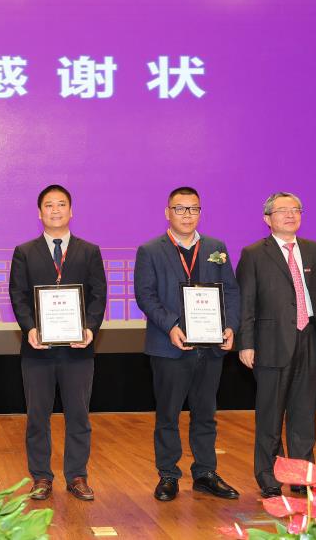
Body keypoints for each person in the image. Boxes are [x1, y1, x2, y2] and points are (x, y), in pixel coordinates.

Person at [134, 186, 240, 502]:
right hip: (170, 346)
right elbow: (145, 296)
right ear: (167, 213)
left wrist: (230, 326)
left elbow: (230, 291)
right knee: (168, 414)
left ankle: (205, 473)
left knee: (206, 413)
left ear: (200, 213)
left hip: (210, 345)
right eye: (180, 209)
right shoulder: (150, 250)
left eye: (193, 209)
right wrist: (171, 326)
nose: (187, 215)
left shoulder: (216, 247)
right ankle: (168, 474)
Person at [8, 184, 106, 501]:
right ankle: (41, 476)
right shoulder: (24, 252)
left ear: (71, 211)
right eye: (48, 205)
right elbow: (18, 295)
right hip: (37, 350)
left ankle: (77, 476)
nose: (55, 210)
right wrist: (29, 328)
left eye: (61, 204)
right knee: (38, 417)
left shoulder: (89, 251)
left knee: (78, 415)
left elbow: (99, 295)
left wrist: (90, 328)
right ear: (39, 213)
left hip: (79, 350)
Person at [236, 192, 316, 498]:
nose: (290, 215)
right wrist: (246, 343)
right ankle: (268, 477)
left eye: (295, 209)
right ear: (267, 219)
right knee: (270, 415)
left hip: (311, 338)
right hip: (270, 343)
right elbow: (245, 302)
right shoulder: (253, 254)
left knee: (304, 415)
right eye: (282, 210)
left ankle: (302, 477)